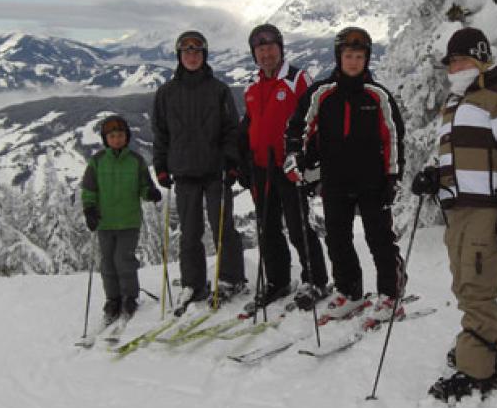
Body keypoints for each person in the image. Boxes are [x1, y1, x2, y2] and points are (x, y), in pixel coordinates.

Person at [411, 27, 497, 403]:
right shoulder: (457, 101)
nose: (455, 67)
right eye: (451, 62)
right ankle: (489, 339)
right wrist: (434, 176)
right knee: (463, 283)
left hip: (487, 207)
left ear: (480, 58)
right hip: (458, 209)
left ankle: (477, 371)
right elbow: (456, 154)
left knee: (476, 287)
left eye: (461, 59)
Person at [284, 26, 405, 323]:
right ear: (339, 57)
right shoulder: (322, 93)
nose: (353, 62)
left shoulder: (377, 96)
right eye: (348, 55)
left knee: (380, 239)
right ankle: (350, 292)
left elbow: (393, 138)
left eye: (359, 56)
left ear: (367, 60)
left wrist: (392, 177)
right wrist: (295, 157)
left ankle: (389, 296)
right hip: (334, 179)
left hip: (372, 181)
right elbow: (298, 128)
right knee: (338, 239)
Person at [239, 23, 331, 311]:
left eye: (270, 47)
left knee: (297, 225)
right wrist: (243, 159)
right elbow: (250, 125)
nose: (266, 53)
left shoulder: (297, 79)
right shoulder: (252, 87)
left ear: (280, 49)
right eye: (260, 49)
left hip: (289, 166)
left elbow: (314, 120)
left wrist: (309, 158)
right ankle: (278, 280)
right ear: (255, 55)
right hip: (261, 167)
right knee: (267, 229)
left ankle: (315, 279)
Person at [152, 30, 247, 309]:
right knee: (190, 231)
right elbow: (160, 132)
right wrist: (160, 166)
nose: (191, 56)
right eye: (186, 52)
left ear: (204, 55)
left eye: (196, 51)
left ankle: (231, 278)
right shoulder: (166, 93)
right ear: (179, 57)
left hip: (215, 170)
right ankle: (193, 284)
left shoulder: (219, 90)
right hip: (183, 172)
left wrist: (231, 163)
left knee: (223, 227)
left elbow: (232, 130)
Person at [80, 115, 162, 324]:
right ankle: (113, 299)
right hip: (104, 222)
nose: (117, 139)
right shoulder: (97, 162)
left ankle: (129, 297)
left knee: (123, 260)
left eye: (120, 135)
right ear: (105, 139)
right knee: (107, 263)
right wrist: (89, 209)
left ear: (127, 137)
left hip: (128, 221)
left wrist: (150, 192)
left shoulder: (136, 161)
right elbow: (89, 189)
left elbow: (144, 186)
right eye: (112, 136)